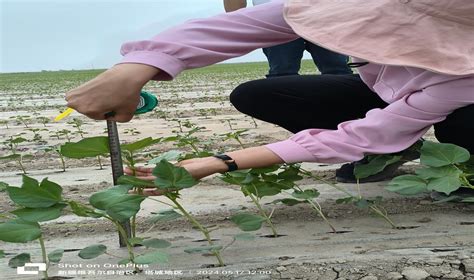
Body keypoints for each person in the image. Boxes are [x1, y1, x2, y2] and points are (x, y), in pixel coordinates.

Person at [65, 0, 474, 195]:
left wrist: (219, 162)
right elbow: (243, 26)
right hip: (388, 89)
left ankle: (463, 169)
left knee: (465, 121)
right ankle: (400, 151)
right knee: (263, 91)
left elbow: (363, 134)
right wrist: (135, 68)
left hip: (456, 93)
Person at [223, 0, 352, 77]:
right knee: (282, 73)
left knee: (338, 70)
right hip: (277, 19)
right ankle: (289, 118)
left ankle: (345, 116)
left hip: (323, 15)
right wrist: (239, 24)